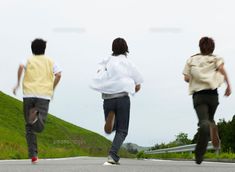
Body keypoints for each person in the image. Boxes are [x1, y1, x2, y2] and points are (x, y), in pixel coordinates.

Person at [90, 38, 143, 164]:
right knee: (122, 130)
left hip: (107, 98)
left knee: (111, 129)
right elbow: (138, 85)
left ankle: (110, 120)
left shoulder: (106, 61)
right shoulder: (128, 63)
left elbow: (98, 75)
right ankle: (112, 155)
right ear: (126, 49)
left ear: (112, 48)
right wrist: (132, 88)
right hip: (122, 98)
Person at [183, 37, 231, 164]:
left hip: (199, 96)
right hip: (213, 96)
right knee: (209, 119)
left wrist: (195, 76)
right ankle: (213, 126)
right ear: (212, 48)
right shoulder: (216, 58)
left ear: (200, 46)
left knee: (203, 124)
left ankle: (199, 154)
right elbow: (222, 70)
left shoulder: (192, 59)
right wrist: (228, 86)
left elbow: (186, 78)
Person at [13, 38, 62, 164]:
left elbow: (20, 67)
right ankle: (35, 119)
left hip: (28, 94)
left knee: (29, 126)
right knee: (38, 127)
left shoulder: (27, 59)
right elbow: (59, 75)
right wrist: (52, 88)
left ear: (32, 49)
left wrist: (18, 83)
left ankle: (33, 155)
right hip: (43, 95)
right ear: (44, 49)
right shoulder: (51, 61)